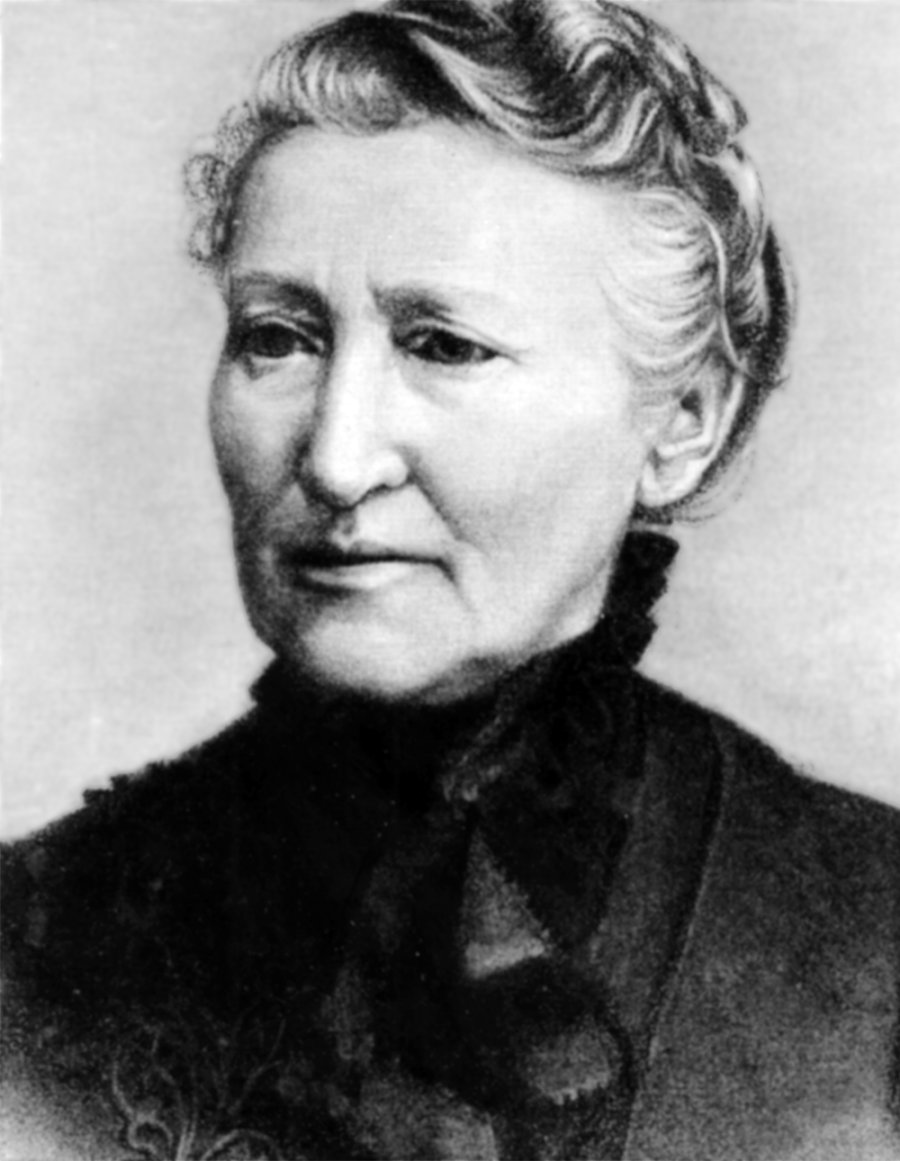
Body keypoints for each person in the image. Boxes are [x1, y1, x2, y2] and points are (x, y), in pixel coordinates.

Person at [2, 1, 898, 1158]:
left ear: (684, 420)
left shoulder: (872, 933)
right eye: (278, 336)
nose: (335, 460)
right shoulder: (31, 933)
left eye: (444, 345)